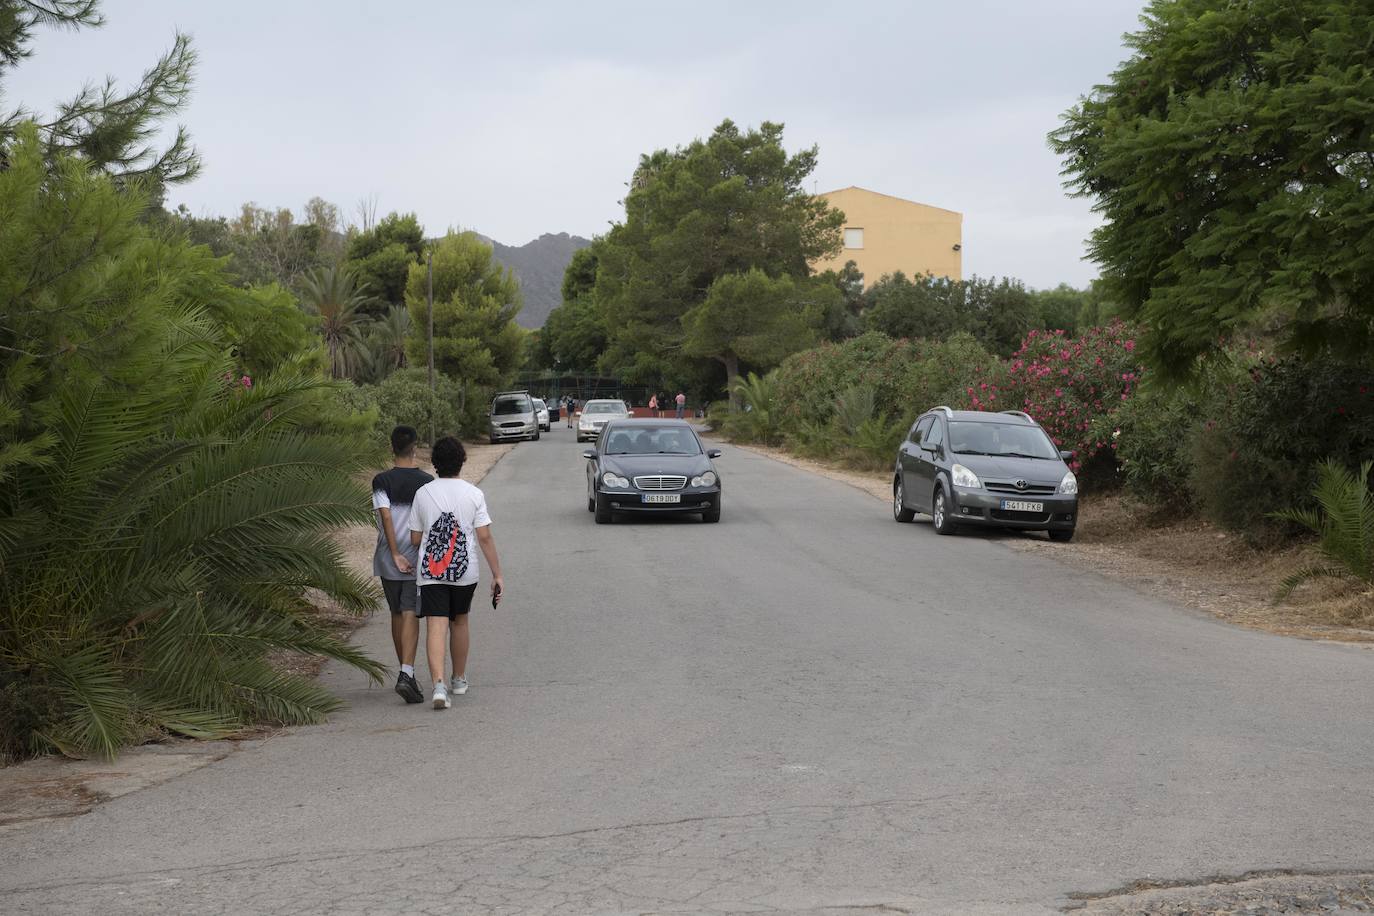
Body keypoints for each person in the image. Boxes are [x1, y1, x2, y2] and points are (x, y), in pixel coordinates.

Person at [409, 437, 504, 710]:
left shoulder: (423, 494)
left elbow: (416, 539)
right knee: (459, 621)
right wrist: (497, 574)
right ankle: (459, 680)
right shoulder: (474, 494)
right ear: (462, 461)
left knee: (436, 625)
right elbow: (484, 537)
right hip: (465, 573)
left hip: (430, 572)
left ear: (435, 463)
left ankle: (438, 686)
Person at [371, 426, 434, 704]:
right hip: (414, 556)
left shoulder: (380, 481)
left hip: (386, 556)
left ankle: (405, 671)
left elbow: (385, 516)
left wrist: (393, 552)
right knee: (410, 611)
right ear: (415, 449)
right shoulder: (426, 481)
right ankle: (405, 673)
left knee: (397, 612)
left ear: (391, 448)